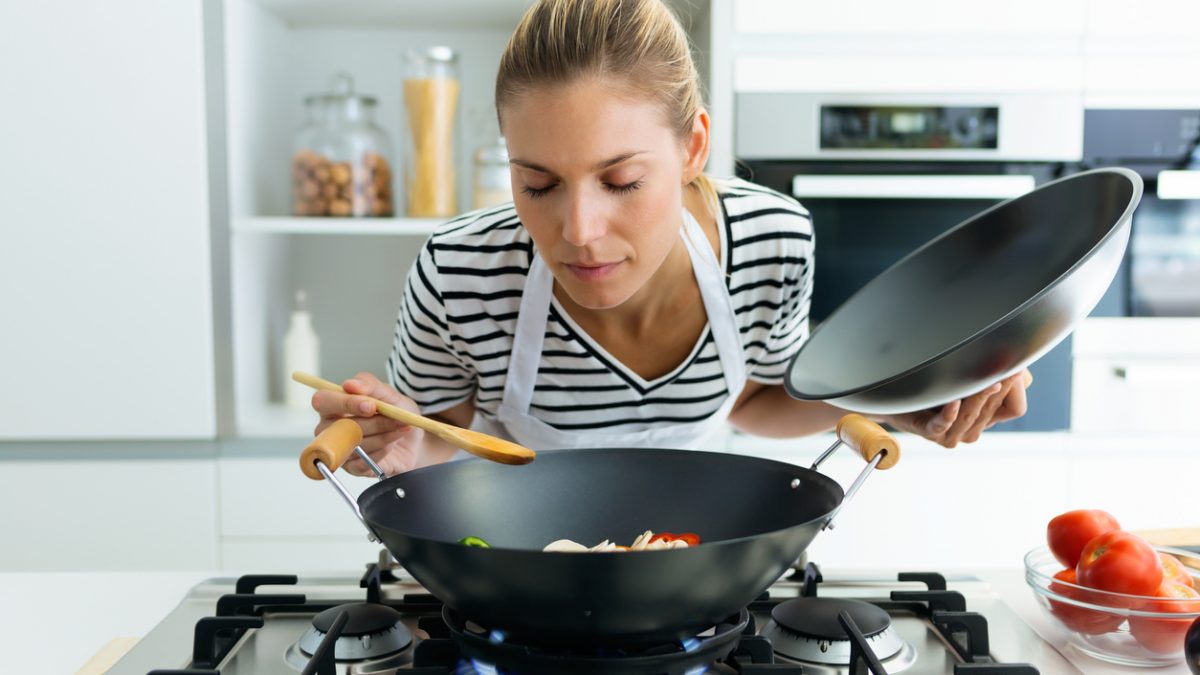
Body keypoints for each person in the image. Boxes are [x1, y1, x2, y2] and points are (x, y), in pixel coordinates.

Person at [311, 0, 1029, 476]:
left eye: (621, 181)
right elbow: (442, 433)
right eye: (537, 184)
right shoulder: (460, 270)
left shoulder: (771, 242)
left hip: (691, 558)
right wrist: (401, 442)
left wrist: (905, 404)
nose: (580, 232)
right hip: (514, 566)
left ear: (692, 149)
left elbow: (754, 402)